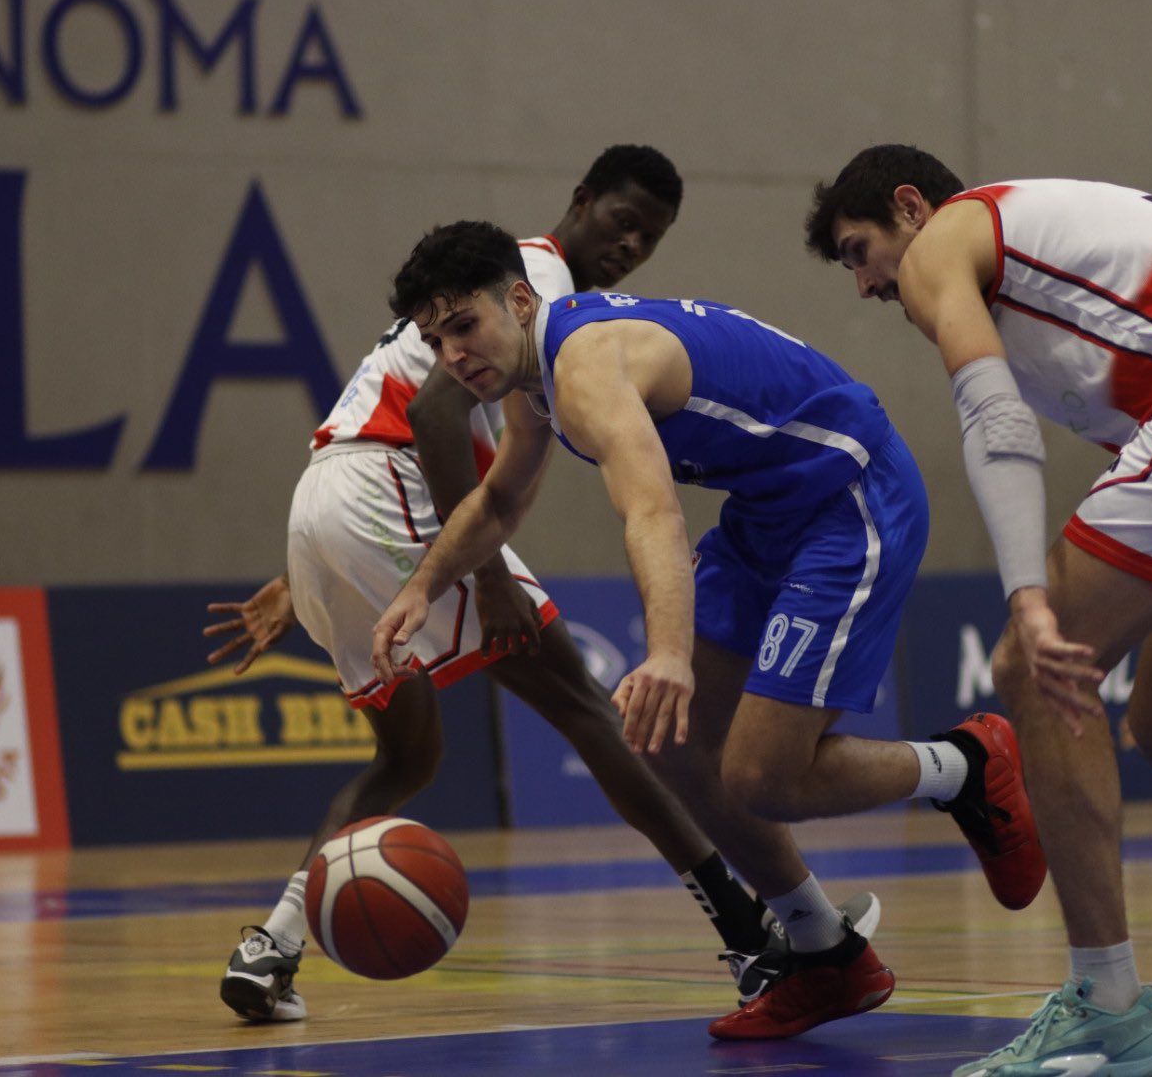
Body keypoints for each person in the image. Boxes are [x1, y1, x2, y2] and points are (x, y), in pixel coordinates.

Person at [207, 146, 869, 1025]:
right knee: (592, 714)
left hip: (329, 501)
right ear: (580, 203)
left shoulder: (511, 298)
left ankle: (273, 945)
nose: (630, 244)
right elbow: (436, 415)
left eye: (650, 235)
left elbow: (381, 428)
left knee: (408, 757)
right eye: (619, 220)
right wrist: (487, 577)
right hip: (389, 492)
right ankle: (751, 940)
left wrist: (304, 575)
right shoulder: (529, 285)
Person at [370, 219, 1047, 1040]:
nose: (453, 355)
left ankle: (966, 765)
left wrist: (668, 652)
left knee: (762, 776)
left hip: (850, 496)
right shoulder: (536, 377)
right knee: (661, 744)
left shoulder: (586, 365)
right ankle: (824, 950)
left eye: (464, 327)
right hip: (771, 512)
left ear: (518, 300)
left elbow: (651, 509)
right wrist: (426, 585)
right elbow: (503, 500)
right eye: (436, 341)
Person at [809, 143, 1152, 1076]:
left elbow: (993, 421)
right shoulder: (1054, 262)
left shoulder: (946, 241)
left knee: (1031, 666)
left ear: (910, 207)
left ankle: (1106, 1001)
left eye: (858, 249)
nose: (868, 283)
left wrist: (1030, 597)